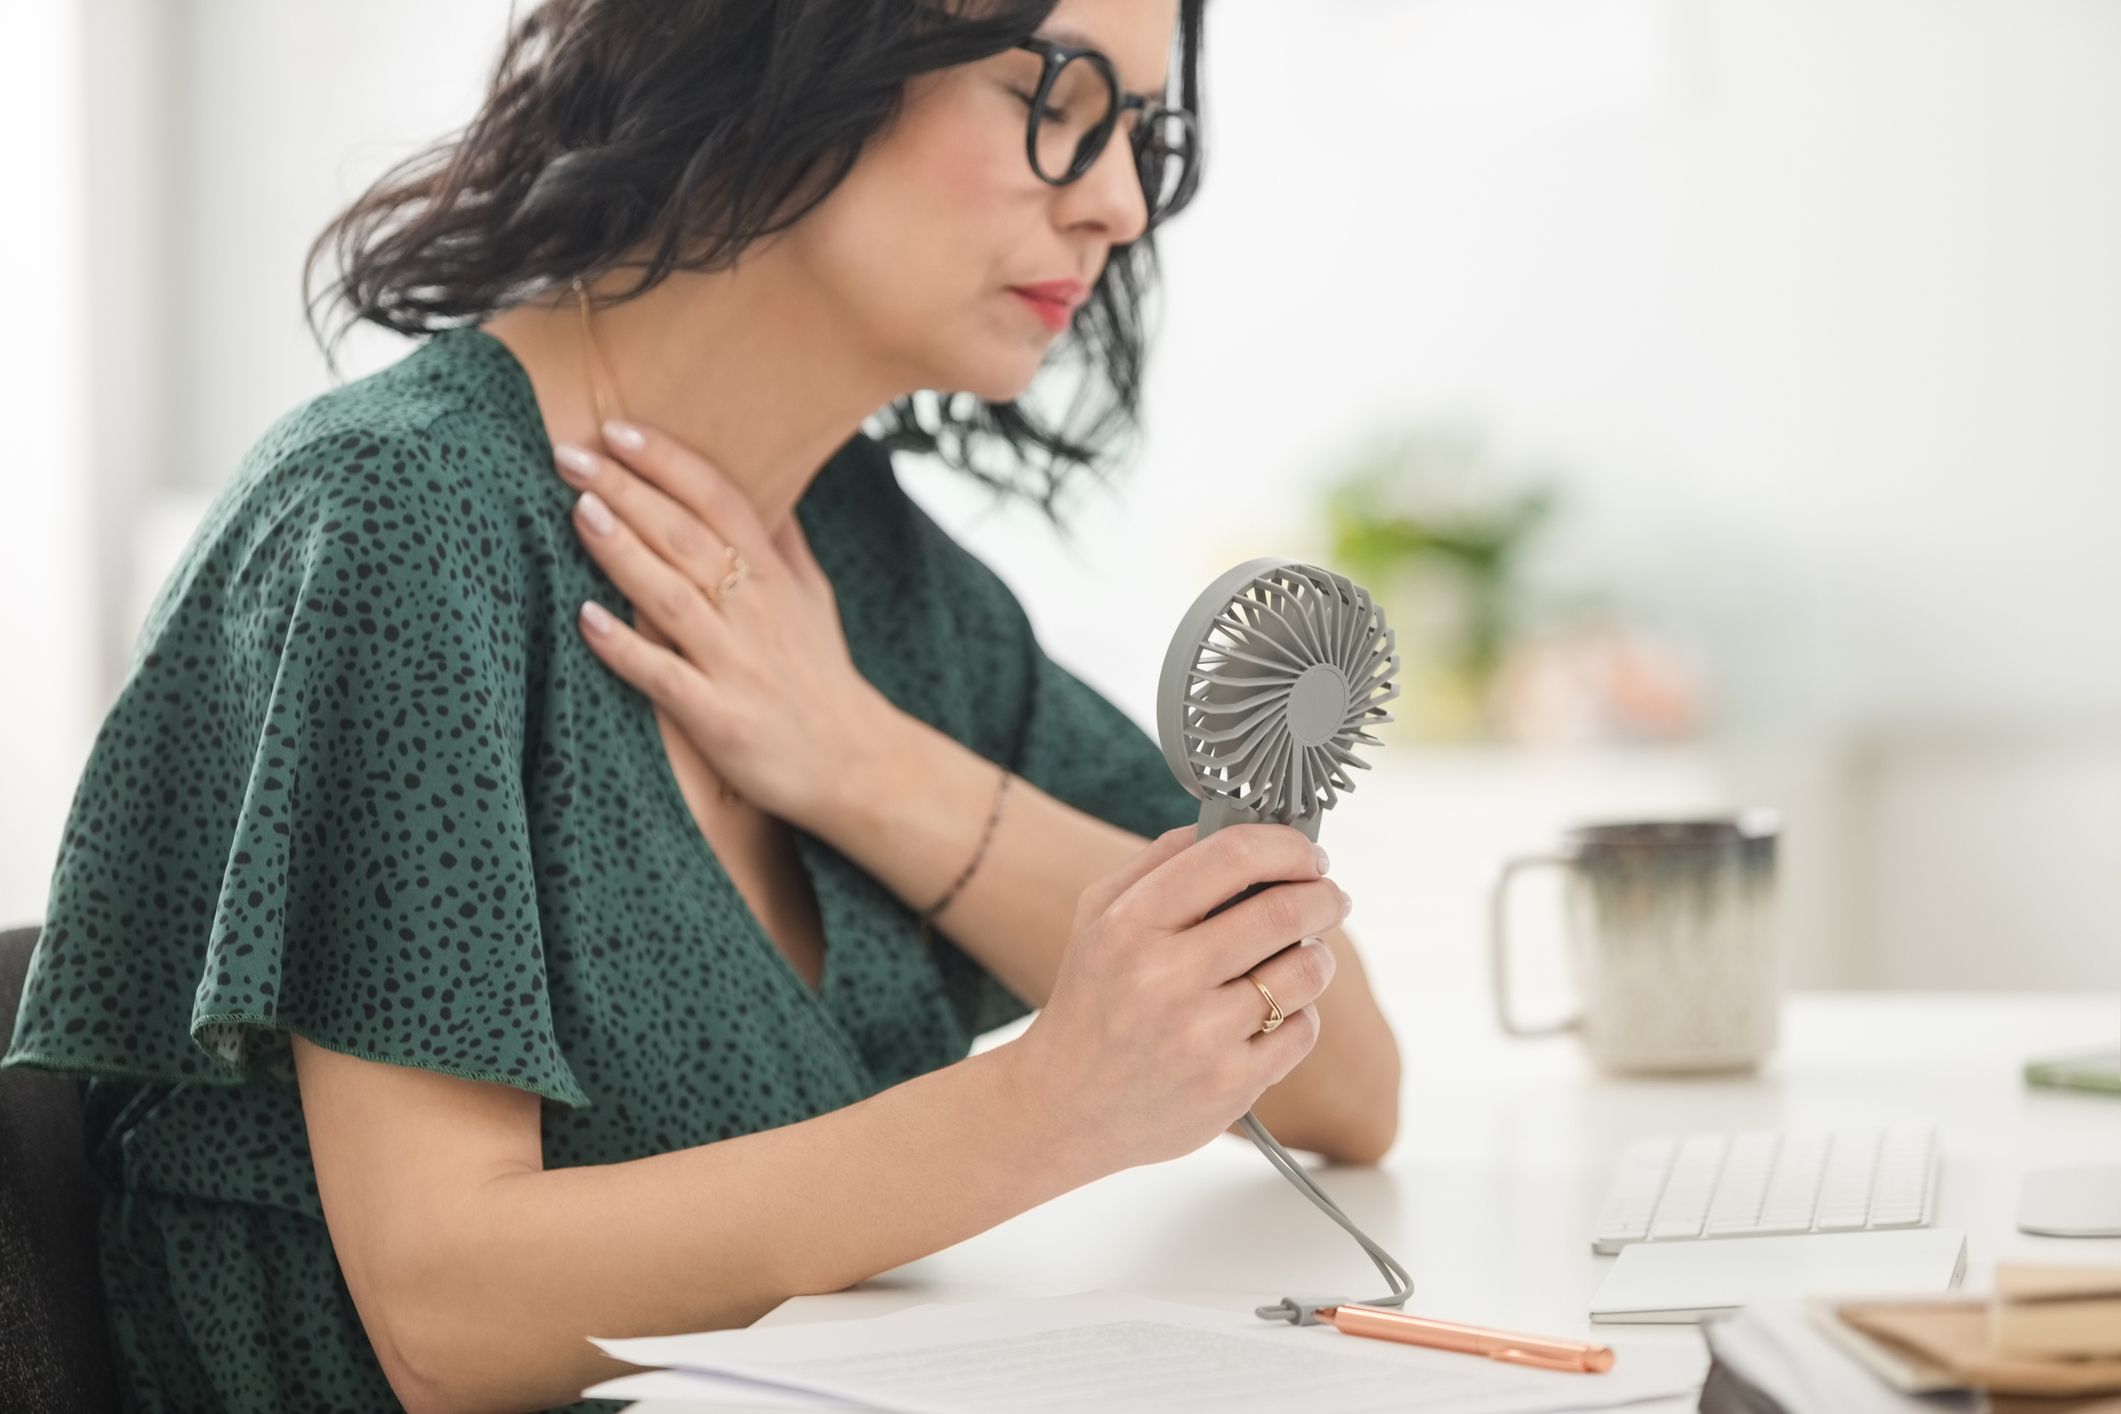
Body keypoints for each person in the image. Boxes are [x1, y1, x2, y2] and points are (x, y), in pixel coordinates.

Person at [0, 0, 1402, 1408]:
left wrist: (861, 761)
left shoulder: (865, 577)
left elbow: (1340, 1076)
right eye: (1056, 98)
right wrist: (1049, 1106)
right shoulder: (395, 522)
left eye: (1139, 135)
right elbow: (443, 1313)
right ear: (789, 45)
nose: (1113, 203)